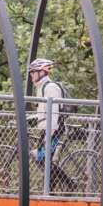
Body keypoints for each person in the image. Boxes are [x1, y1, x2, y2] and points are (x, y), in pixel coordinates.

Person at [28, 58, 76, 192]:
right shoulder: (41, 87)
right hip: (46, 128)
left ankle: (69, 183)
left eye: (33, 72)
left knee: (43, 158)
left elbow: (54, 112)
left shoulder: (51, 88)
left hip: (54, 129)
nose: (31, 75)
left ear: (42, 72)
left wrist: (50, 132)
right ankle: (50, 189)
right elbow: (43, 110)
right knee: (41, 158)